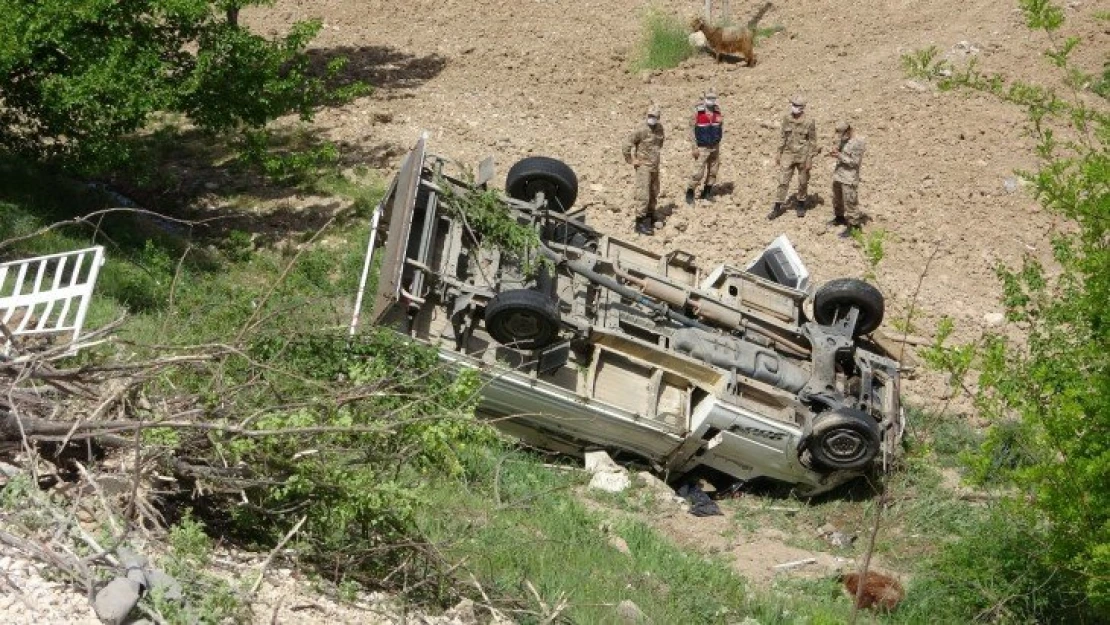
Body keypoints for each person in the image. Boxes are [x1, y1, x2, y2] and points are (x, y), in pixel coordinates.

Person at [768, 94, 818, 220]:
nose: (793, 107)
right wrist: (779, 152)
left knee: (802, 182)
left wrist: (810, 159)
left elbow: (812, 141)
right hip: (788, 154)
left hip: (803, 155)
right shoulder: (787, 118)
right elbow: (782, 136)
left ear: (802, 108)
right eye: (792, 105)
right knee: (783, 181)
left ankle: (801, 204)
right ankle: (777, 207)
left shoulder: (809, 122)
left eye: (796, 105)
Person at [623, 103, 665, 235]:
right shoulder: (641, 129)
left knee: (654, 191)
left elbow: (660, 144)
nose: (652, 118)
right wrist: (631, 160)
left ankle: (650, 215)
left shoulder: (659, 128)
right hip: (643, 167)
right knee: (643, 194)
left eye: (654, 116)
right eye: (650, 116)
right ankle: (639, 222)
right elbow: (626, 145)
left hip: (654, 166)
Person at [828, 120, 867, 238]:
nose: (841, 136)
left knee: (850, 202)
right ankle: (839, 218)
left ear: (849, 130)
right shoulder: (844, 140)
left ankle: (854, 227)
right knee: (837, 198)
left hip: (849, 177)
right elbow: (841, 153)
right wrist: (835, 152)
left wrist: (839, 155)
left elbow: (854, 162)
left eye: (842, 133)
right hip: (839, 174)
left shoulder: (858, 142)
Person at [685, 87, 723, 205]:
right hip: (702, 146)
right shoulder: (698, 111)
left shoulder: (717, 111)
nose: (711, 100)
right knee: (698, 172)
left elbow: (720, 126)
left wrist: (718, 141)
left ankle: (707, 192)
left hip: (714, 146)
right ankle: (690, 192)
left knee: (713, 170)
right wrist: (694, 147)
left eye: (713, 98)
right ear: (705, 98)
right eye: (709, 98)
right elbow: (691, 130)